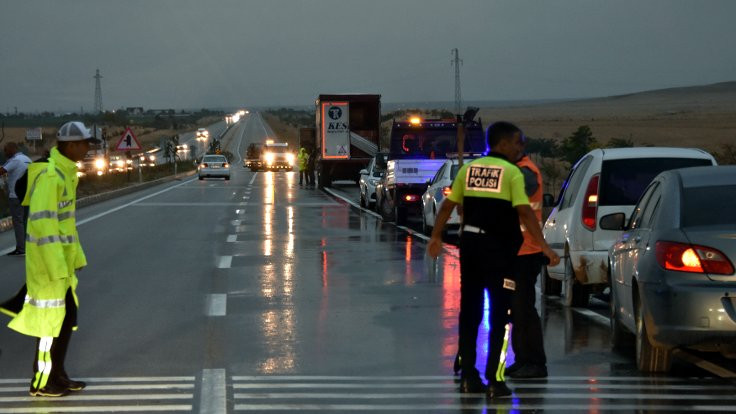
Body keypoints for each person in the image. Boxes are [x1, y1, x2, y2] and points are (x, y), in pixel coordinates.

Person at [428, 121, 559, 399]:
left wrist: (436, 236)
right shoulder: (511, 172)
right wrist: (545, 247)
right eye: (516, 143)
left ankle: (468, 377)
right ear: (501, 144)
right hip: (500, 251)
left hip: (470, 247)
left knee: (470, 312)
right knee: (499, 314)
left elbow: (448, 205)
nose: (519, 148)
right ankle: (494, 381)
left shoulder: (469, 170)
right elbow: (524, 212)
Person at [6, 121, 100, 397]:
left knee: (67, 319)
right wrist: (58, 268)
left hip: (62, 267)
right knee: (49, 326)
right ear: (70, 145)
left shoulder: (65, 173)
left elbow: (66, 226)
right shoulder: (50, 177)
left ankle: (58, 374)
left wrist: (76, 258)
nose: (87, 149)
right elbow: (43, 227)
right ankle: (41, 382)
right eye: (84, 144)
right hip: (48, 270)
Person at [506, 142, 549, 379]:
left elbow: (516, 203)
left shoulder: (525, 172)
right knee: (517, 310)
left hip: (526, 252)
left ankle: (535, 362)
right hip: (516, 252)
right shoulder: (516, 169)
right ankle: (522, 359)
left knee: (524, 310)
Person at [0, 142, 32, 256]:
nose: (5, 152)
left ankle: (21, 248)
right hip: (27, 195)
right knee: (24, 222)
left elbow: (2, 171)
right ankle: (26, 246)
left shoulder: (15, 160)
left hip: (15, 196)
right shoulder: (27, 159)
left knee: (18, 222)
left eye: (6, 149)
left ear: (12, 149)